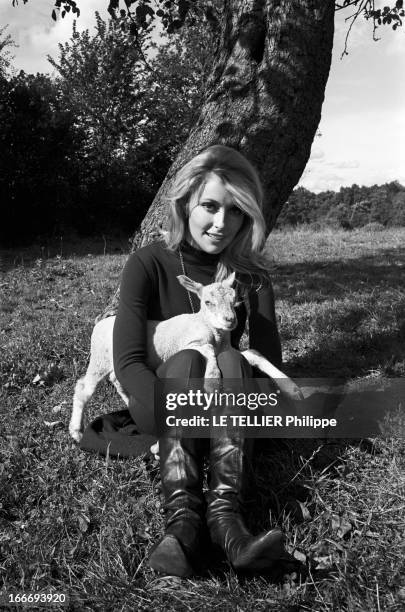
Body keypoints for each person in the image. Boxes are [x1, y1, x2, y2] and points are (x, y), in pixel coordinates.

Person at [113, 145, 288, 577]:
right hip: (166, 401)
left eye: (236, 211)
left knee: (230, 361)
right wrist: (173, 405)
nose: (222, 223)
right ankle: (183, 524)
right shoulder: (147, 263)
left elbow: (266, 360)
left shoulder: (251, 275)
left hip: (230, 406)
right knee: (190, 358)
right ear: (185, 201)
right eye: (210, 206)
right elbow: (129, 362)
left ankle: (228, 524)